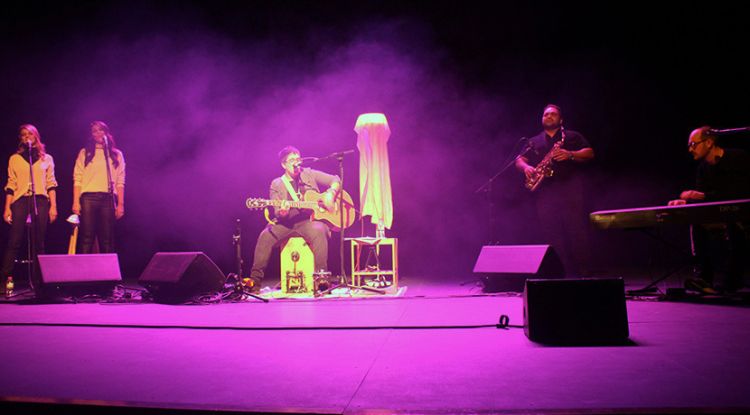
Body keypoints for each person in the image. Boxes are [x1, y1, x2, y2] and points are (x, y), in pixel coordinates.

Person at [515, 104, 595, 277]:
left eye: (553, 114)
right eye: (546, 114)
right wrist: (526, 167)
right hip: (546, 191)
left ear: (561, 119)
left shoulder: (572, 136)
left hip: (570, 188)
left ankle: (584, 272)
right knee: (551, 232)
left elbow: (589, 153)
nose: (549, 116)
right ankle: (561, 272)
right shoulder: (533, 141)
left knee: (576, 230)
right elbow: (519, 160)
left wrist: (570, 154)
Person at [668, 126, 750, 294]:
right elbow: (702, 203)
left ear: (709, 142)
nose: (690, 149)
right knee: (697, 221)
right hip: (724, 216)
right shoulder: (703, 169)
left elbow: (739, 192)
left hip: (744, 214)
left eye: (693, 144)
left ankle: (732, 281)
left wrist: (702, 196)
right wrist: (686, 202)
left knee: (734, 225)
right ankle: (705, 278)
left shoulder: (738, 157)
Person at [248, 146, 341, 291]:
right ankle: (254, 283)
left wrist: (330, 193)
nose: (296, 163)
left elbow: (335, 179)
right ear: (283, 164)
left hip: (307, 222)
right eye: (292, 160)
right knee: (265, 236)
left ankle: (321, 279)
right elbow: (278, 213)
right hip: (285, 224)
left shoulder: (309, 174)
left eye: (298, 159)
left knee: (319, 229)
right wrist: (283, 212)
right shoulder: (277, 184)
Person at [2, 124, 58, 290]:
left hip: (39, 199)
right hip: (20, 200)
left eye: (30, 134)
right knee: (15, 240)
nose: (27, 137)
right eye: (23, 135)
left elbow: (51, 184)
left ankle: (39, 280)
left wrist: (53, 206)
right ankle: (5, 278)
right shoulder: (15, 159)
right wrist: (7, 208)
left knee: (38, 241)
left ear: (36, 137)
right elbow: (11, 184)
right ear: (21, 139)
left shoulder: (46, 158)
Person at [72, 121, 125, 254]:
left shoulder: (116, 155)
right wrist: (75, 202)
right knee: (87, 237)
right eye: (95, 131)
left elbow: (120, 180)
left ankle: (108, 272)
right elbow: (77, 178)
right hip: (88, 198)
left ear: (106, 133)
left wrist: (120, 204)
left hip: (108, 198)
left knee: (107, 239)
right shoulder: (85, 153)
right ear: (92, 135)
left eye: (101, 130)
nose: (98, 133)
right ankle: (83, 271)